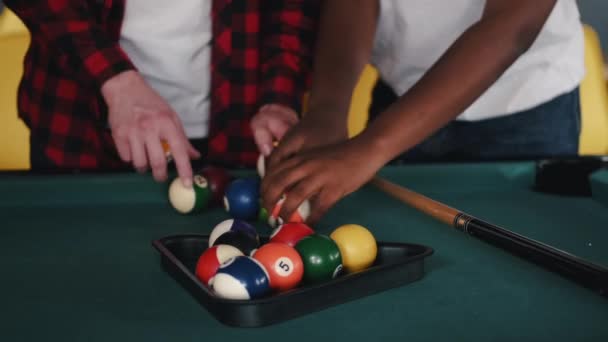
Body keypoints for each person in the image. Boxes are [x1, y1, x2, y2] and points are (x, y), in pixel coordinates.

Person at [260, 0, 584, 223]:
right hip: (399, 98)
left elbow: (514, 24)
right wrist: (327, 110)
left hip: (524, 105)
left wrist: (370, 149)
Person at [5, 0, 318, 187]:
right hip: (77, 125)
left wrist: (279, 97)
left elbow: (292, 8)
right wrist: (116, 82)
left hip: (239, 135)